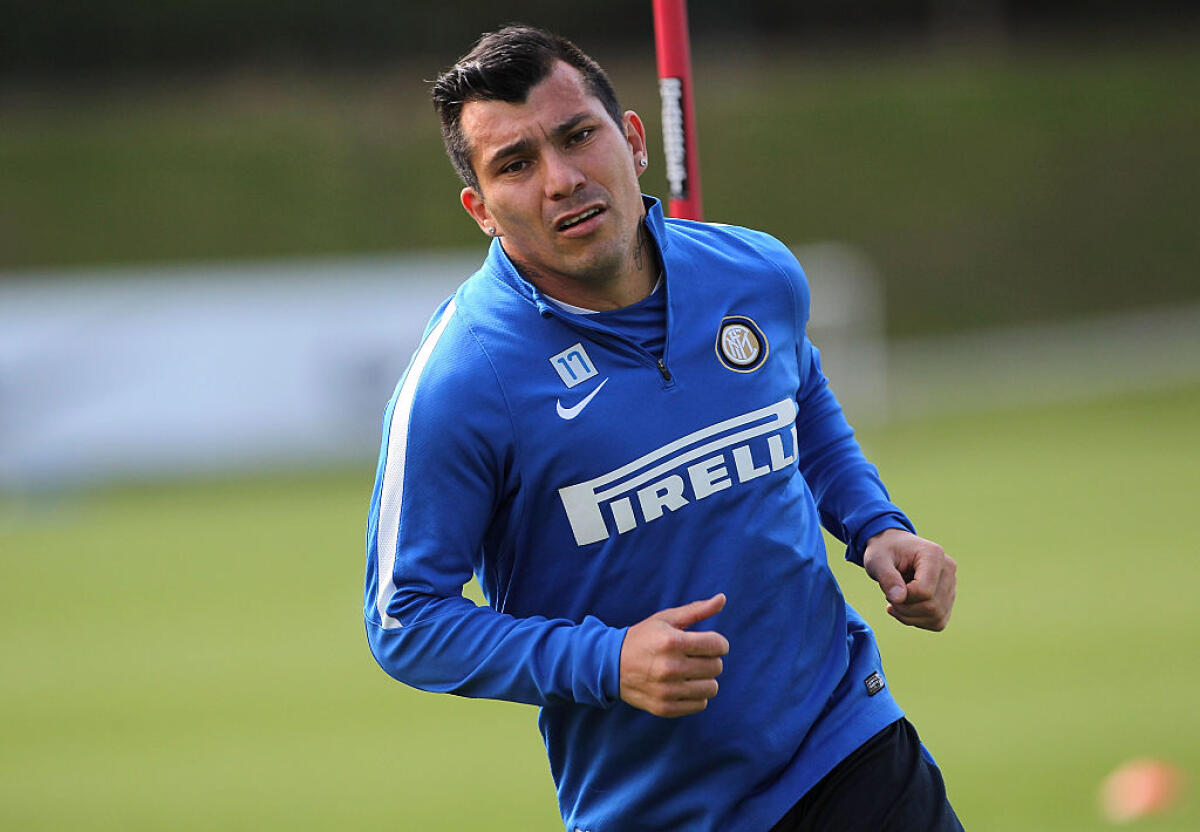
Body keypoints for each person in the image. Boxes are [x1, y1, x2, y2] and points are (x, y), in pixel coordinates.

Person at [364, 24, 962, 832]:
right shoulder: (462, 381)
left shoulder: (754, 271)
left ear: (634, 139)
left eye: (579, 136)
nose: (563, 179)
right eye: (516, 164)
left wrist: (874, 526)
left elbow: (800, 394)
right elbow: (407, 621)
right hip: (659, 811)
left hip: (849, 746)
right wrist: (605, 662)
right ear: (480, 208)